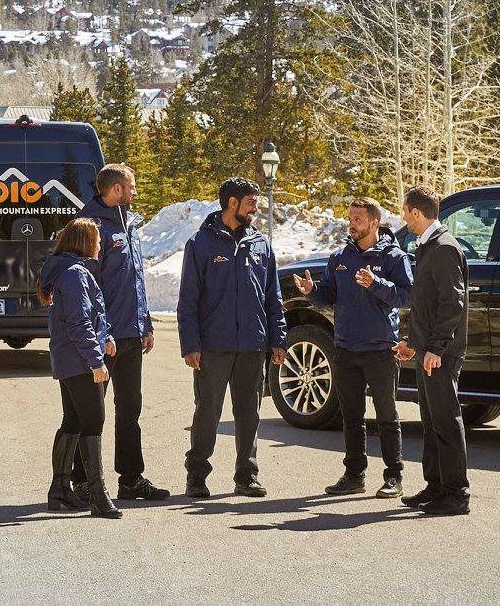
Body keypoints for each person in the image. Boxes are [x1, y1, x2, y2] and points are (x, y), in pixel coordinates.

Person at [48, 163, 169, 502]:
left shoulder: (130, 222)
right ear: (115, 189)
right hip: (102, 338)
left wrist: (144, 324)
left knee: (130, 408)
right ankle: (84, 481)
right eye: (131, 187)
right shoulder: (89, 228)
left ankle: (131, 479)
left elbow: (136, 279)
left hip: (131, 334)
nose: (135, 192)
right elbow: (86, 289)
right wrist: (103, 336)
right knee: (88, 413)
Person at [293, 197, 413, 498]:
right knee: (352, 417)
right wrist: (312, 293)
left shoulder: (394, 257)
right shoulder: (340, 257)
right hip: (345, 346)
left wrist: (375, 283)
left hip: (380, 348)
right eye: (350, 218)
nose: (352, 224)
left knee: (386, 415)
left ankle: (393, 476)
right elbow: (328, 297)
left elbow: (407, 297)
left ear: (374, 223)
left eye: (358, 219)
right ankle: (354, 475)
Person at [177, 176, 287, 499]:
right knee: (207, 413)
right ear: (232, 204)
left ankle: (247, 475)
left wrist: (278, 338)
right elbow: (188, 300)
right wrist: (191, 344)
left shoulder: (261, 244)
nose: (256, 208)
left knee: (249, 415)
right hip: (213, 346)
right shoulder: (201, 244)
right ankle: (196, 476)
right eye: (251, 202)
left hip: (253, 345)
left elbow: (273, 296)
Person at [41, 216, 121, 518]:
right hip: (78, 361)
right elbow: (78, 323)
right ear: (85, 242)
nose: (100, 244)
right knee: (94, 420)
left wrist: (107, 337)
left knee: (74, 420)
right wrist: (96, 361)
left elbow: (92, 316)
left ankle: (59, 490)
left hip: (71, 358)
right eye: (97, 240)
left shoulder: (73, 272)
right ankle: (98, 495)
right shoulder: (75, 274)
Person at [398, 186, 471, 516]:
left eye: (405, 212)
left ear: (416, 212)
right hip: (428, 350)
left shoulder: (443, 248)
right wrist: (413, 344)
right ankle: (435, 487)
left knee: (445, 420)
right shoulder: (428, 247)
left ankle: (456, 494)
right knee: (430, 420)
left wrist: (437, 347)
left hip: (441, 352)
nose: (403, 219)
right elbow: (425, 304)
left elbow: (451, 302)